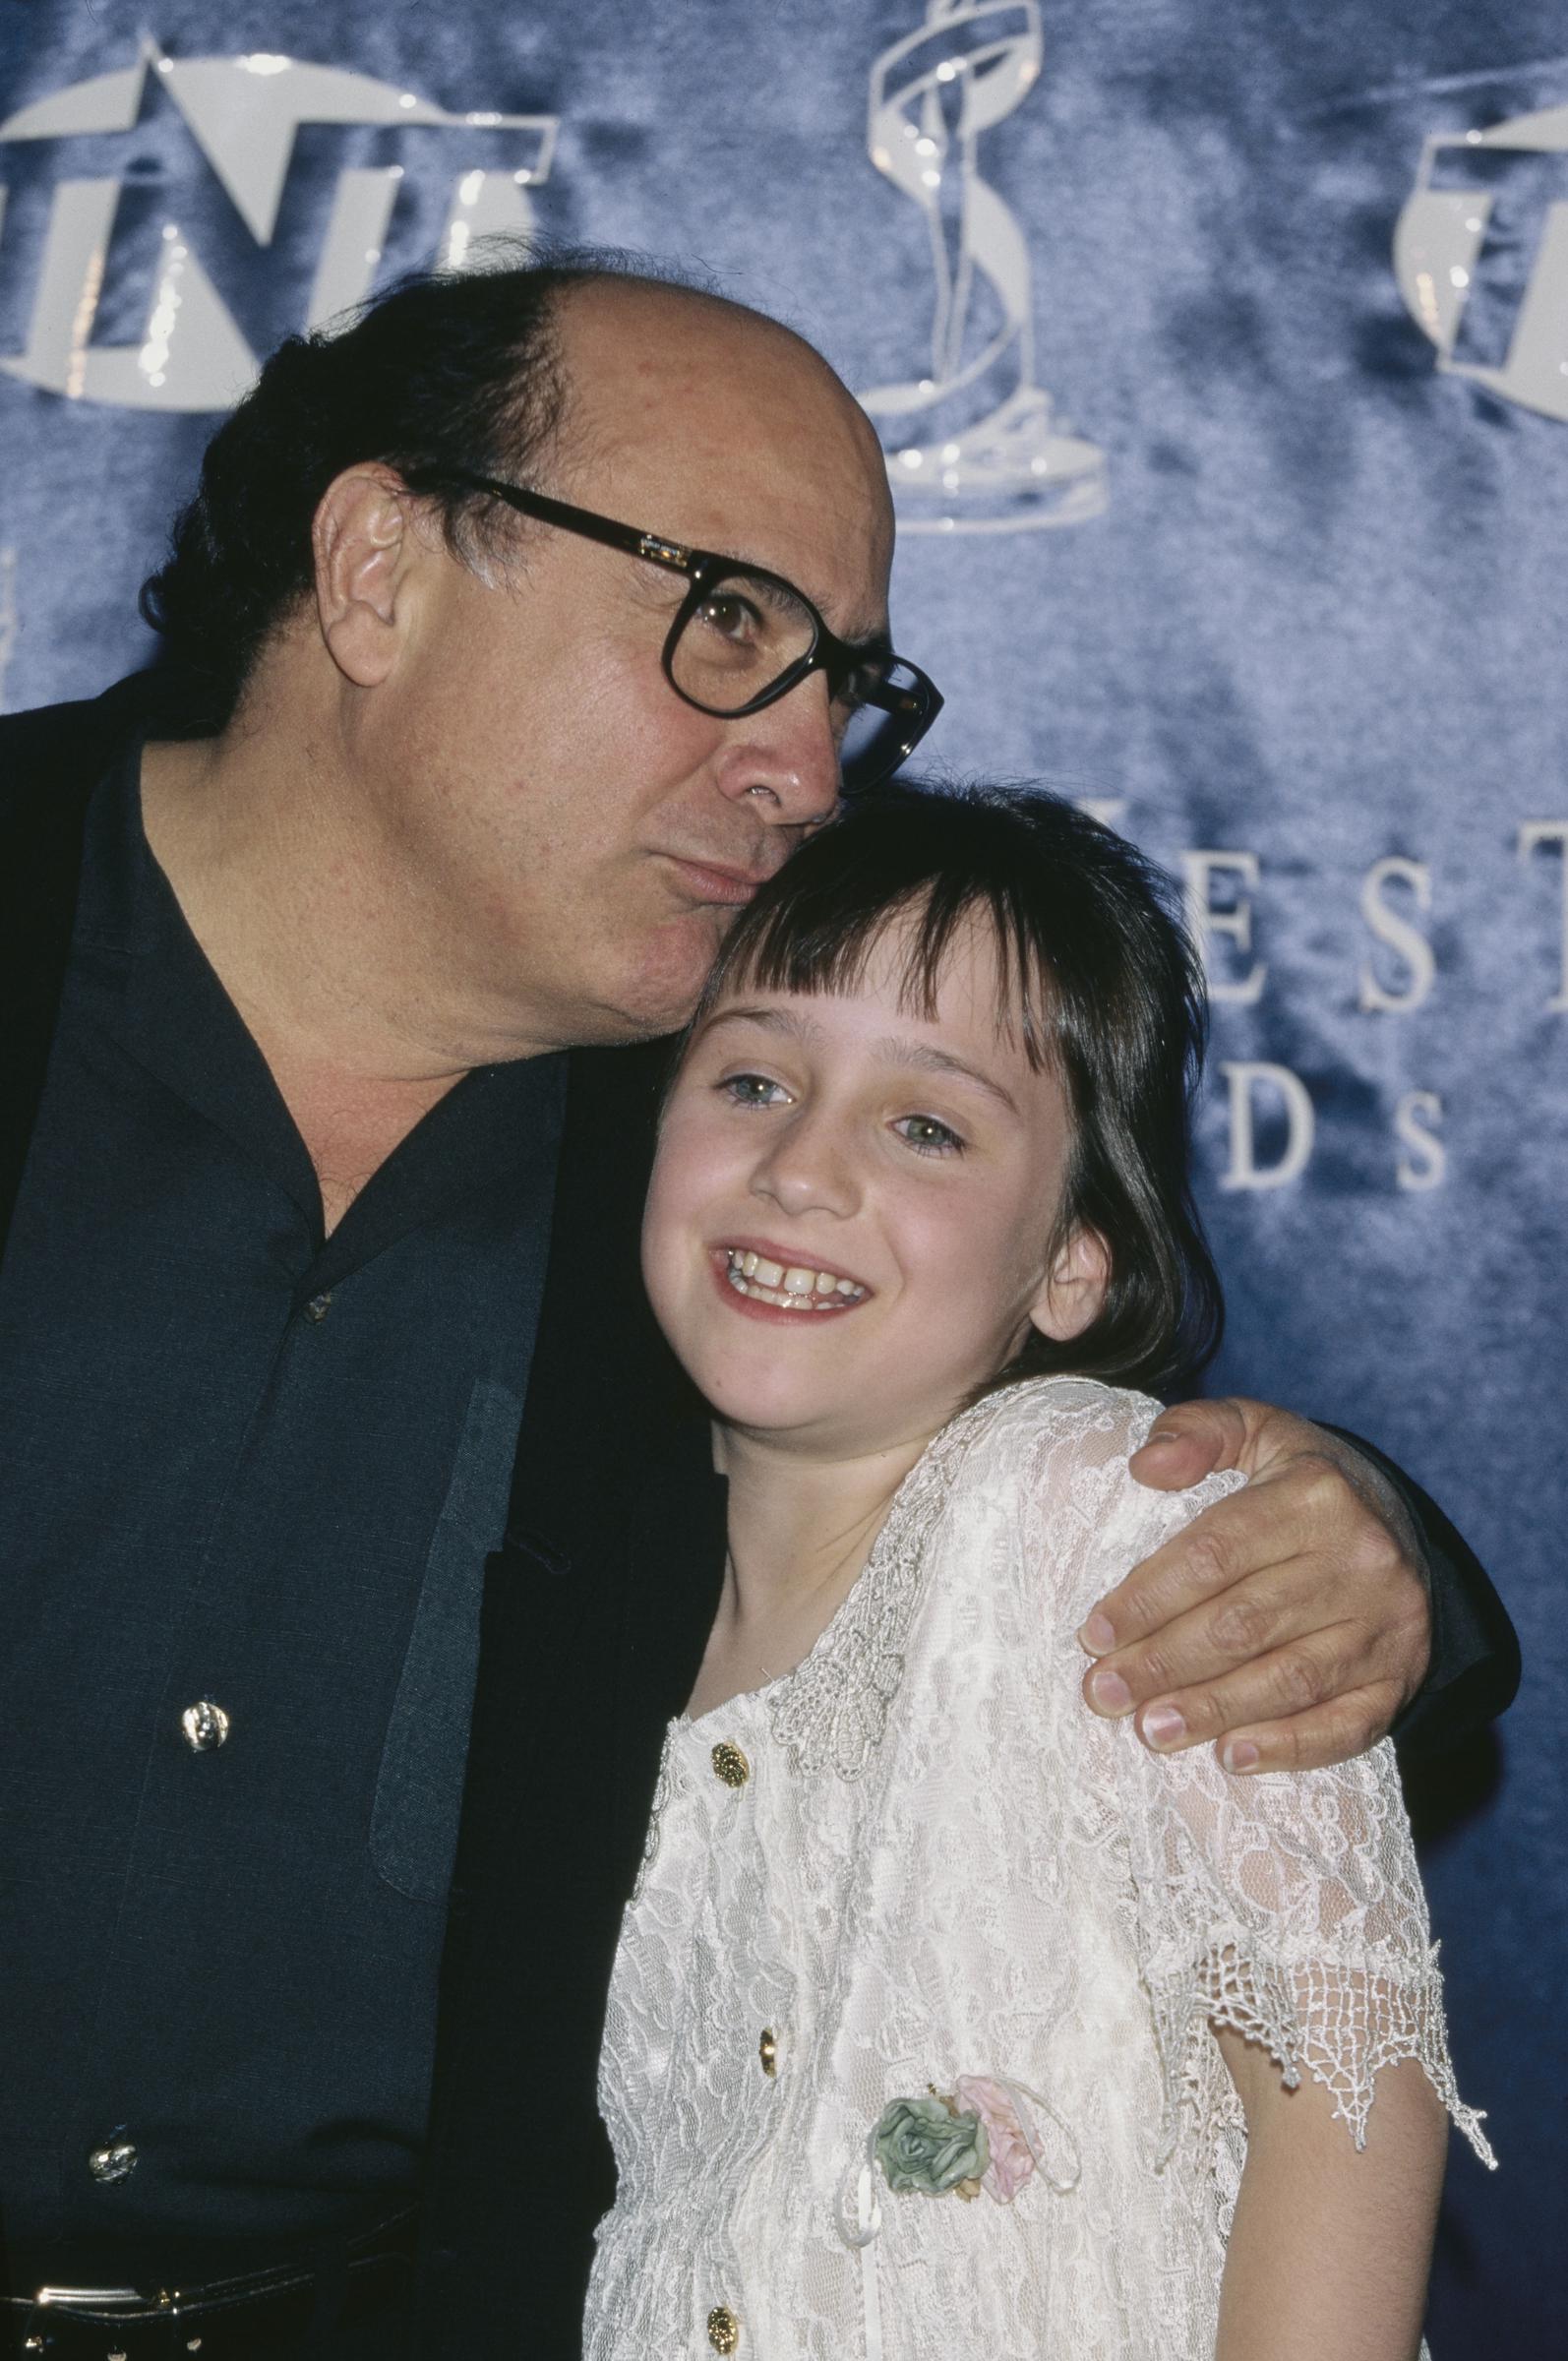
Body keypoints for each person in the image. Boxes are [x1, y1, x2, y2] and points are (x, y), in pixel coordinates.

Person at [0, 253, 1515, 2359]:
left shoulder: (737, 1154)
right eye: (727, 626)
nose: (804, 768)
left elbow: (1090, 1498)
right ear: (379, 570)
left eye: (846, 686)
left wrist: (1363, 1547)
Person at [590, 779, 1495, 2359]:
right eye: (748, 1079)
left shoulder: (1096, 1515)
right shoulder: (597, 1621)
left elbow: (1344, 2085)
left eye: (924, 1123)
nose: (803, 1168)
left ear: (1076, 1259)